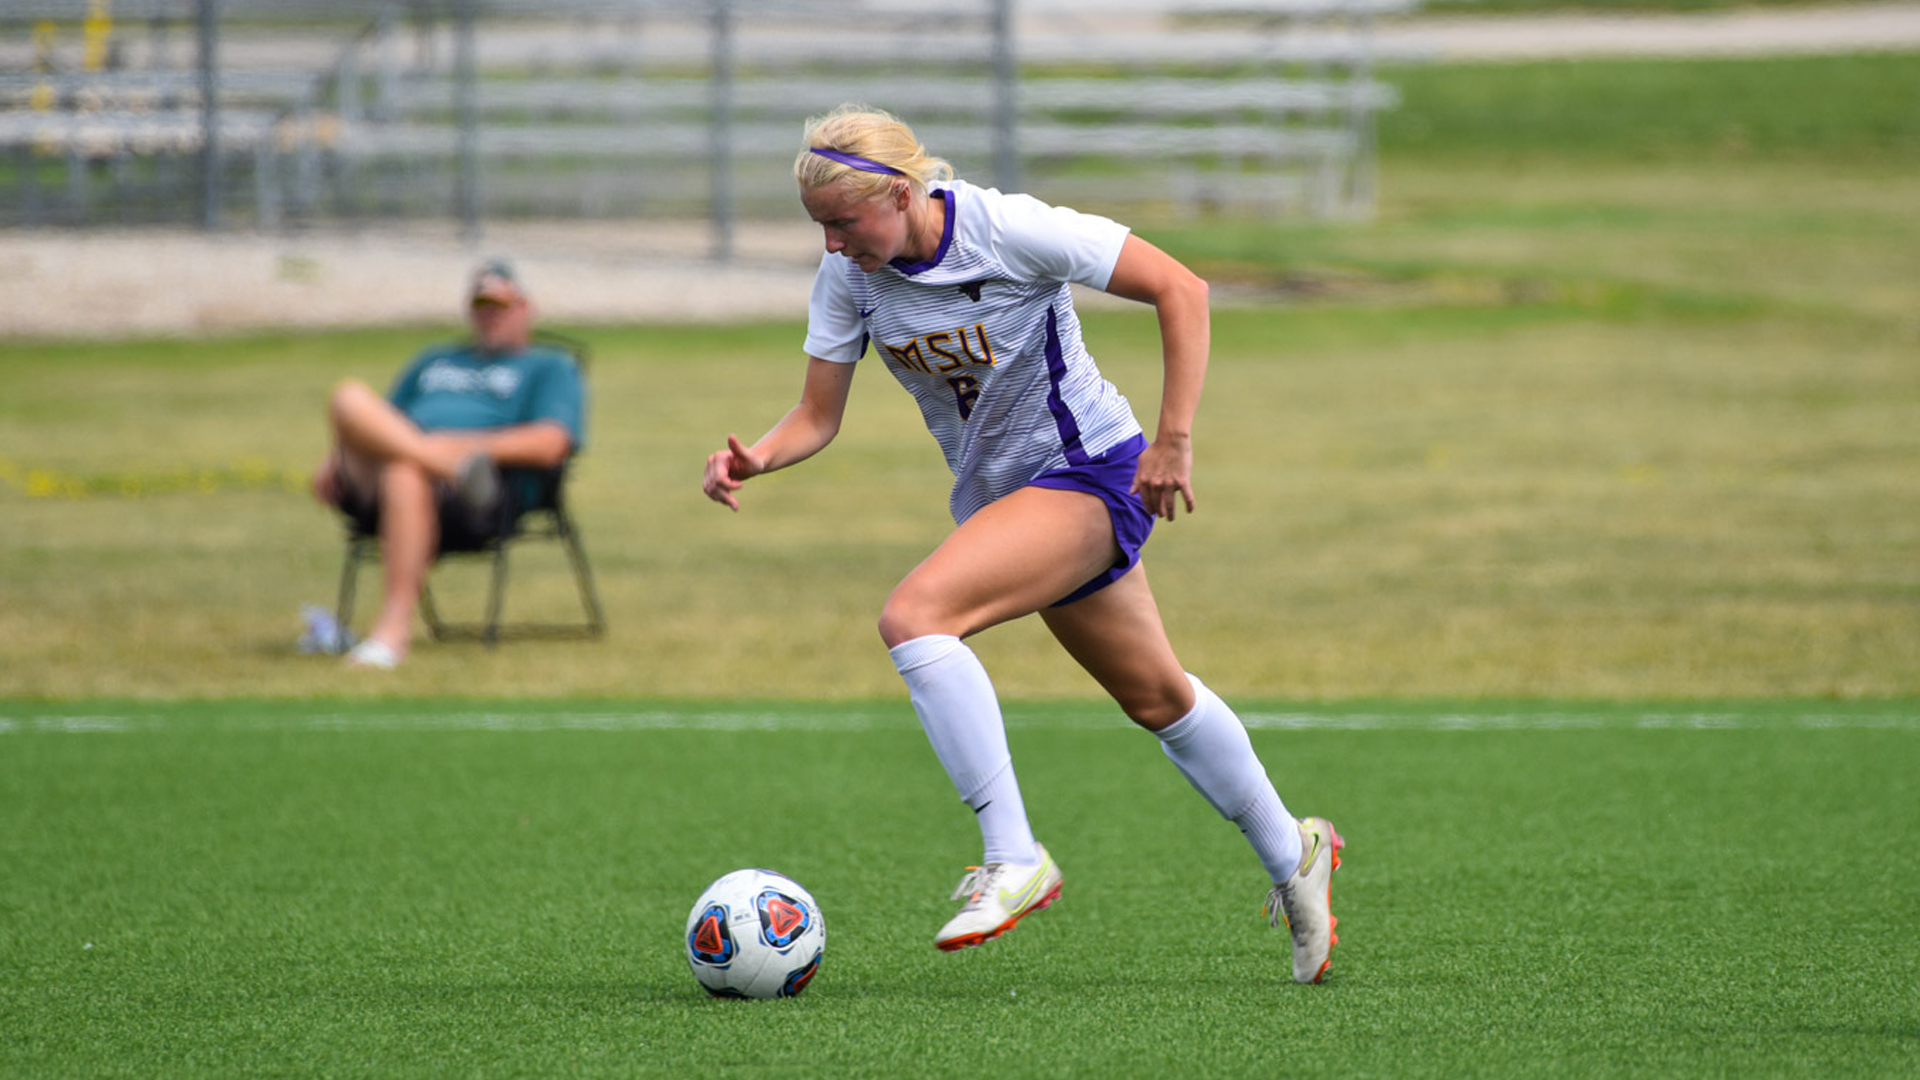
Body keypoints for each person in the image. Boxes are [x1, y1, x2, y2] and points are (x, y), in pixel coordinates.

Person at [701, 105, 1345, 983]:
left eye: (844, 224)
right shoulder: (853, 275)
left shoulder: (1007, 228)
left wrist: (1175, 439)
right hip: (1005, 504)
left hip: (1091, 473)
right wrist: (758, 456)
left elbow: (1181, 289)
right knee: (1157, 698)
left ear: (899, 193)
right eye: (820, 228)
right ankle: (1293, 851)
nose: (832, 246)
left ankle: (1013, 855)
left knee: (917, 617)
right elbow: (817, 416)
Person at [312, 258, 586, 670]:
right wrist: (337, 457)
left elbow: (552, 442)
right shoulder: (436, 359)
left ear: (525, 308)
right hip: (406, 478)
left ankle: (393, 630)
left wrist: (458, 443)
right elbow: (379, 420)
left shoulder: (549, 365)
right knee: (347, 396)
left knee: (405, 470)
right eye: (481, 307)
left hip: (482, 494)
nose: (489, 316)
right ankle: (441, 463)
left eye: (500, 306)